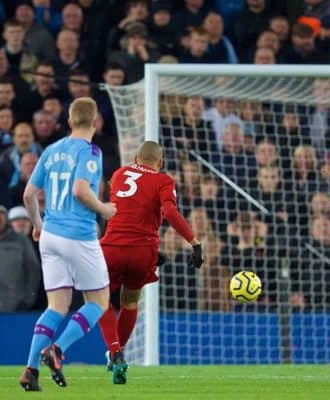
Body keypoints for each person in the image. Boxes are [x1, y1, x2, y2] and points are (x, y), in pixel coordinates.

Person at [19, 97, 116, 391]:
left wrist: (38, 226)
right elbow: (80, 190)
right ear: (95, 122)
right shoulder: (91, 151)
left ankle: (31, 371)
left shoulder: (50, 150)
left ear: (70, 121)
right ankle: (57, 349)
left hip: (50, 235)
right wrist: (104, 208)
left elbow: (28, 195)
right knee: (98, 301)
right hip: (78, 235)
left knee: (57, 305)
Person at [97, 141, 204, 384]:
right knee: (131, 301)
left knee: (100, 300)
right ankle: (119, 352)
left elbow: (127, 210)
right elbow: (171, 213)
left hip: (112, 246)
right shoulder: (163, 180)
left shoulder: (119, 173)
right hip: (143, 250)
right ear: (160, 162)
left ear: (135, 157)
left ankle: (114, 351)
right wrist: (194, 242)